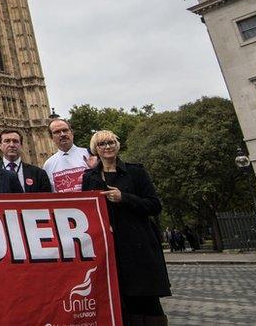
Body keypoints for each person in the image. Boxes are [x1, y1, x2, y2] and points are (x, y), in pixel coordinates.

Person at [81, 130, 170, 325]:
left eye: (111, 142)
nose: (107, 146)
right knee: (118, 300)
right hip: (110, 247)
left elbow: (154, 205)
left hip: (138, 244)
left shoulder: (135, 172)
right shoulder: (90, 177)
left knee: (147, 301)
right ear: (95, 149)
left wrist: (125, 198)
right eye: (102, 144)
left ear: (117, 145)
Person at [42, 118, 97, 192]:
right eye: (57, 132)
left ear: (72, 132)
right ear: (51, 138)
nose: (62, 134)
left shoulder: (89, 155)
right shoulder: (48, 164)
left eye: (65, 130)